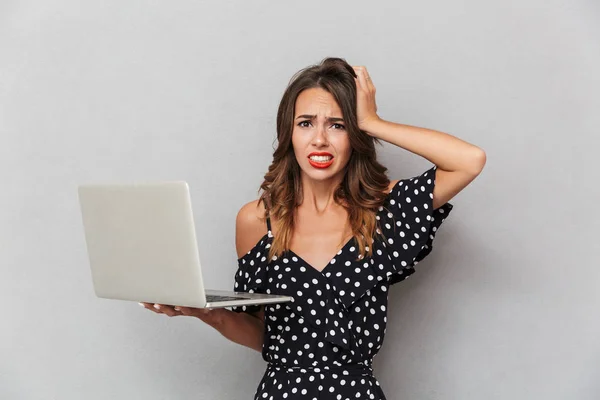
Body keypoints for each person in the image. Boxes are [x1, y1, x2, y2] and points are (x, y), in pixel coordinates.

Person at [141, 57, 486, 399]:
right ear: (288, 133)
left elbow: (469, 161)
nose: (320, 139)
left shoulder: (384, 212)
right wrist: (207, 314)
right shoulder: (255, 220)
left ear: (355, 135)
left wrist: (373, 121)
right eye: (306, 123)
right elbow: (264, 334)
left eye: (337, 125)